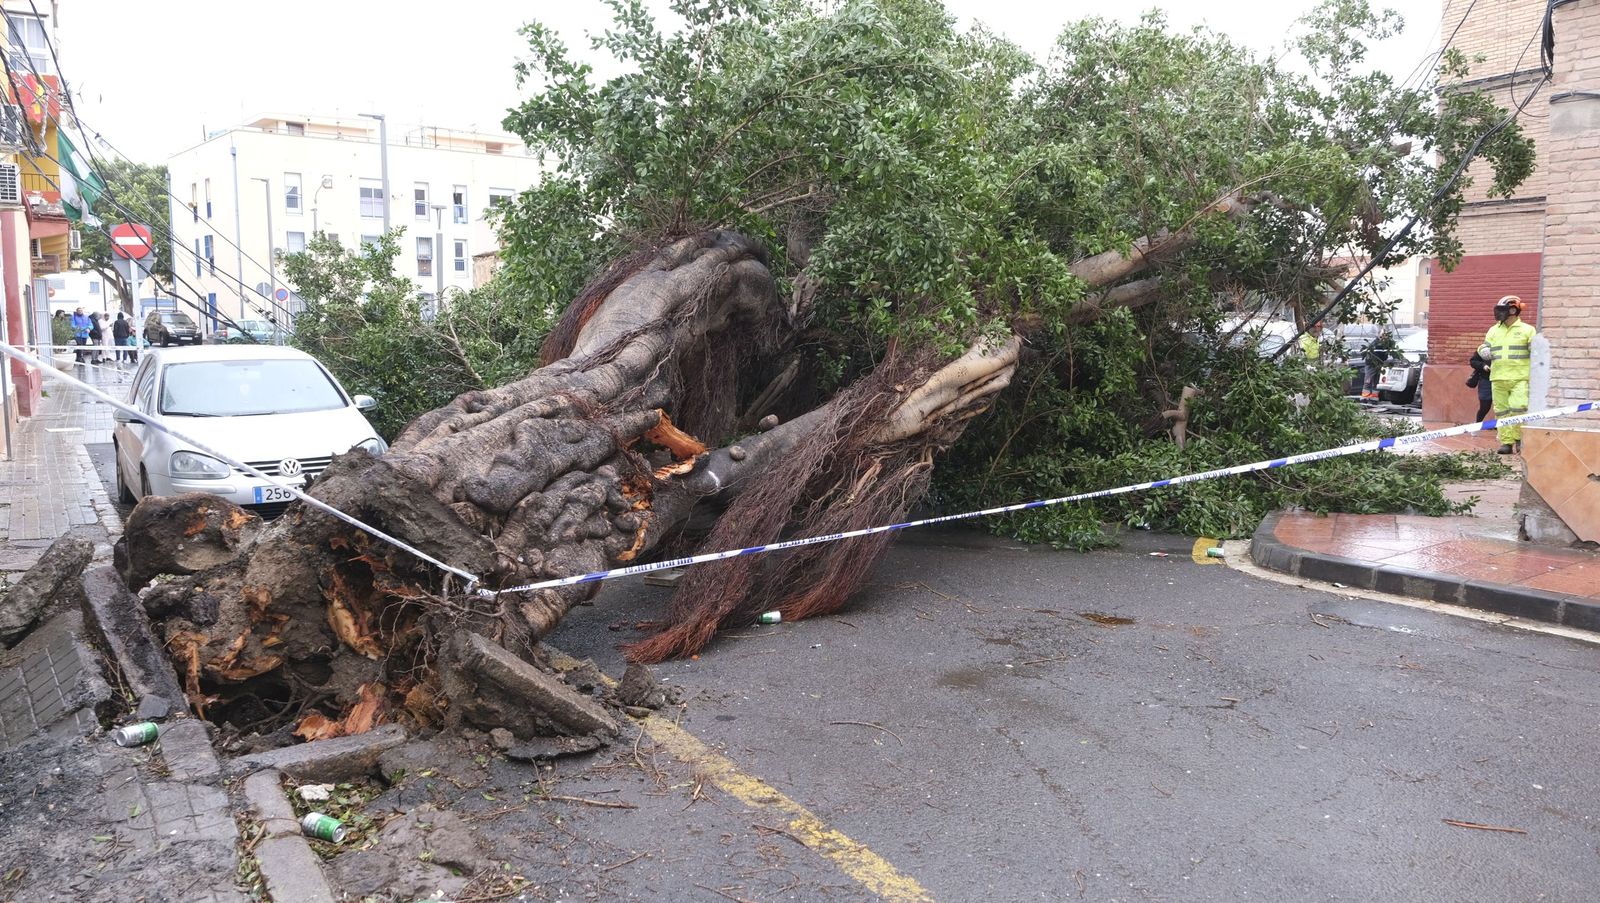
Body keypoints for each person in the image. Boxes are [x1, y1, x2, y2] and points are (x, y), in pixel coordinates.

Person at [1479, 294, 1536, 455]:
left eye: (1502, 310)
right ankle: (1506, 442)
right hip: (1498, 377)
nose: (1498, 313)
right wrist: (1482, 350)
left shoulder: (1527, 330)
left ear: (1513, 310)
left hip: (1520, 377)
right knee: (1502, 411)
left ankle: (1519, 439)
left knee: (1519, 408)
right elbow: (1485, 346)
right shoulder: (1493, 330)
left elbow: (1536, 351)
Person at [1360, 328, 1396, 402]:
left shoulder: (1387, 344)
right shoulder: (1375, 343)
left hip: (1379, 365)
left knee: (1376, 381)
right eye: (1382, 334)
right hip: (1371, 364)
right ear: (1379, 335)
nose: (1384, 336)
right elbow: (1374, 354)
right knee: (1368, 380)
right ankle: (1365, 397)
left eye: (1385, 335)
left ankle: (1374, 397)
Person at [1466, 350, 1493, 422]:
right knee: (1485, 406)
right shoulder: (1484, 348)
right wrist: (1483, 366)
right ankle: (1477, 424)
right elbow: (1473, 362)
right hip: (1486, 380)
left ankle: (1501, 427)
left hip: (1502, 380)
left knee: (1502, 406)